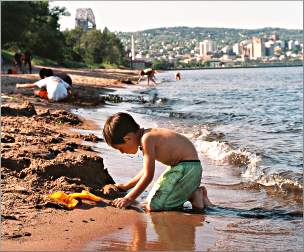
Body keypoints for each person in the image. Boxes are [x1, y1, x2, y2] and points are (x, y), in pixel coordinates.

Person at [102, 112, 213, 211]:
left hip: (186, 169)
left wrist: (129, 198)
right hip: (185, 167)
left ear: (128, 138)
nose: (122, 152)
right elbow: (145, 171)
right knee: (150, 199)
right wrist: (126, 186)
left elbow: (148, 175)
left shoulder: (147, 139)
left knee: (155, 206)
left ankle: (193, 195)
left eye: (120, 148)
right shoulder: (147, 135)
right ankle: (196, 193)